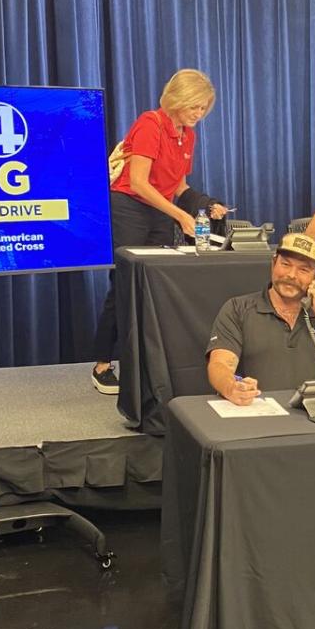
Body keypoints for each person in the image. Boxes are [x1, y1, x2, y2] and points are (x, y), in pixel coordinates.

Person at [91, 69, 228, 394]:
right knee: (124, 285)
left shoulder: (188, 135)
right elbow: (138, 182)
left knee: (154, 286)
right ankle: (102, 364)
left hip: (159, 211)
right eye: (195, 107)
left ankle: (143, 362)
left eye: (204, 108)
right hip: (129, 208)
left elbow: (179, 185)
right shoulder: (150, 124)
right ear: (178, 100)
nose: (199, 114)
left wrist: (206, 204)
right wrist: (181, 216)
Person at [206, 233, 315, 405]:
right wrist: (231, 388)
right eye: (285, 264)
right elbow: (220, 365)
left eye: (304, 269)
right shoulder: (238, 309)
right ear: (273, 264)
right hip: (259, 413)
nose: (292, 275)